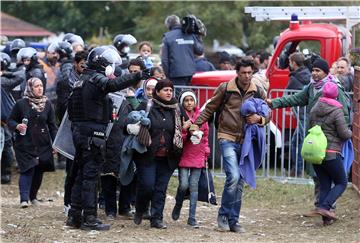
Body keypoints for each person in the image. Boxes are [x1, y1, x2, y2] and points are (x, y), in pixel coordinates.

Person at [65, 46, 148, 231]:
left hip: (81, 132)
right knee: (91, 177)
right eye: (109, 64)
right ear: (101, 63)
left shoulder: (81, 80)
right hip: (92, 134)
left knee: (80, 175)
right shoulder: (95, 79)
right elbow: (112, 85)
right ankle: (90, 218)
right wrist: (137, 76)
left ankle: (74, 216)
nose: (111, 67)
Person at [191, 58, 269, 233]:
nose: (247, 76)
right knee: (233, 176)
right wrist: (196, 123)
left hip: (247, 141)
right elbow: (210, 108)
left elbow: (268, 113)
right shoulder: (225, 88)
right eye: (243, 73)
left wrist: (260, 119)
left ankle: (234, 220)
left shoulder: (258, 91)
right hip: (227, 136)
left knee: (239, 182)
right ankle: (223, 215)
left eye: (250, 73)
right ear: (237, 72)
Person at [266, 58, 351, 213]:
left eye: (318, 71)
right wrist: (275, 103)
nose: (314, 73)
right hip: (315, 139)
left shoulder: (333, 88)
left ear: (325, 72)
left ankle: (327, 207)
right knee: (318, 176)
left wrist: (339, 133)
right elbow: (296, 98)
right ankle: (321, 207)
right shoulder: (311, 87)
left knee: (333, 177)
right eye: (313, 70)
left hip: (330, 141)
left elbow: (344, 115)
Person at [131, 79, 183, 229]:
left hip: (168, 157)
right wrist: (134, 126)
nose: (169, 93)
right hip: (146, 155)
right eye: (165, 90)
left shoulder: (176, 108)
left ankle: (157, 218)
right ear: (157, 92)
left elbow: (185, 124)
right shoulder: (147, 105)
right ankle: (140, 208)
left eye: (171, 90)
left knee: (160, 189)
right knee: (147, 186)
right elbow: (129, 123)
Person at [7, 77, 57, 208]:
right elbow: (10, 120)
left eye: (41, 85)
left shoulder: (47, 104)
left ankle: (33, 197)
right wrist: (17, 126)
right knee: (27, 169)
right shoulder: (21, 104)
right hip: (25, 143)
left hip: (42, 143)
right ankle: (24, 199)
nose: (40, 88)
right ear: (30, 88)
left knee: (39, 170)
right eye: (36, 86)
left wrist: (56, 143)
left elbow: (52, 125)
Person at [308, 81, 352, 226]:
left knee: (325, 183)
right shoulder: (336, 110)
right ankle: (325, 207)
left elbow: (310, 127)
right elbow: (344, 134)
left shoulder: (314, 108)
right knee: (341, 182)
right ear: (336, 95)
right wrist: (351, 132)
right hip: (331, 152)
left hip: (316, 153)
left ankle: (325, 218)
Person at [171, 90, 210, 228]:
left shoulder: (202, 117)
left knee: (194, 186)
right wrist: (184, 129)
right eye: (186, 100)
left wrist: (206, 153)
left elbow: (205, 138)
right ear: (182, 102)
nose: (189, 103)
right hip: (184, 155)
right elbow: (176, 137)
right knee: (183, 185)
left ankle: (192, 217)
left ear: (195, 102)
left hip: (198, 155)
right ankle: (178, 203)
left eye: (191, 100)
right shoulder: (179, 116)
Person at [1, 52, 26, 184]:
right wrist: (6, 73)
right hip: (3, 121)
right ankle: (5, 174)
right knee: (7, 146)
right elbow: (21, 75)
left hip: (4, 121)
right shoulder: (3, 81)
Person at [286, 52, 311, 177]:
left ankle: (298, 171)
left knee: (300, 143)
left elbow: (286, 95)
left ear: (294, 63)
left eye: (290, 62)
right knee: (296, 142)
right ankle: (296, 169)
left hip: (302, 113)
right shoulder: (308, 73)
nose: (289, 65)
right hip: (306, 113)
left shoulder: (295, 78)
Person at [161, 15, 204, 87]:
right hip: (191, 73)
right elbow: (200, 51)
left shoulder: (167, 37)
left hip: (175, 74)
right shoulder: (190, 34)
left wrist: (168, 75)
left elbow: (164, 60)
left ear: (168, 25)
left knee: (179, 96)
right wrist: (198, 36)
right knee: (188, 96)